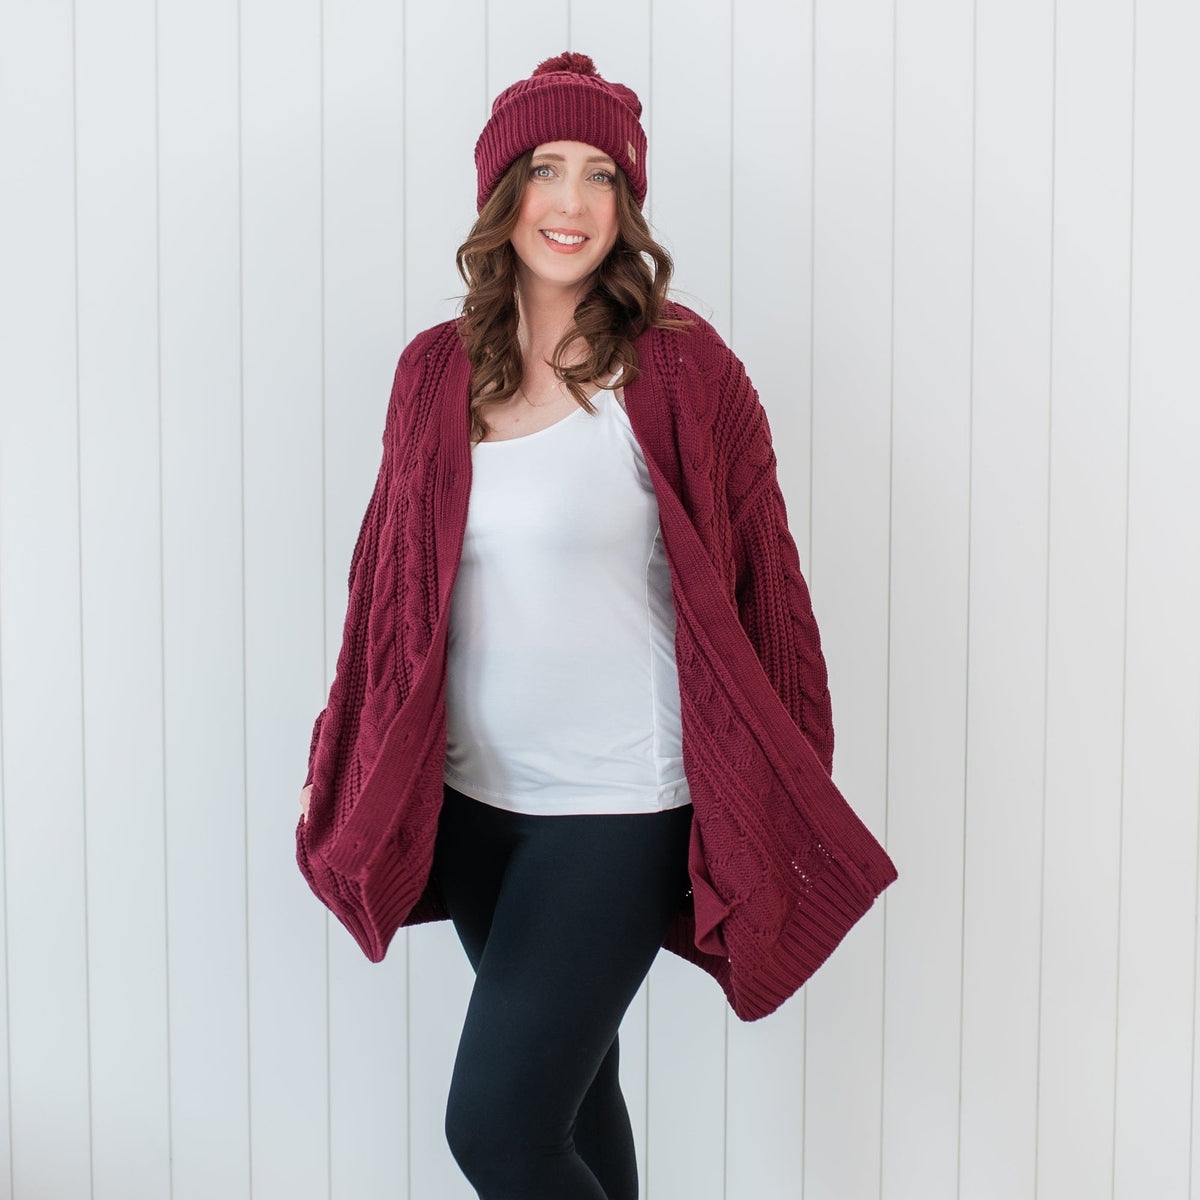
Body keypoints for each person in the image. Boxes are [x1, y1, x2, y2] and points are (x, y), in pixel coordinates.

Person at [295, 49, 898, 1200]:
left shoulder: (680, 370)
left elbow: (765, 588)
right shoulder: (434, 376)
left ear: (628, 205)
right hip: (477, 808)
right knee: (575, 1105)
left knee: (500, 1131)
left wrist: (780, 769)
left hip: (620, 809)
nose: (571, 203)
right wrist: (356, 753)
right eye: (543, 170)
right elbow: (388, 600)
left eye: (601, 177)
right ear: (500, 196)